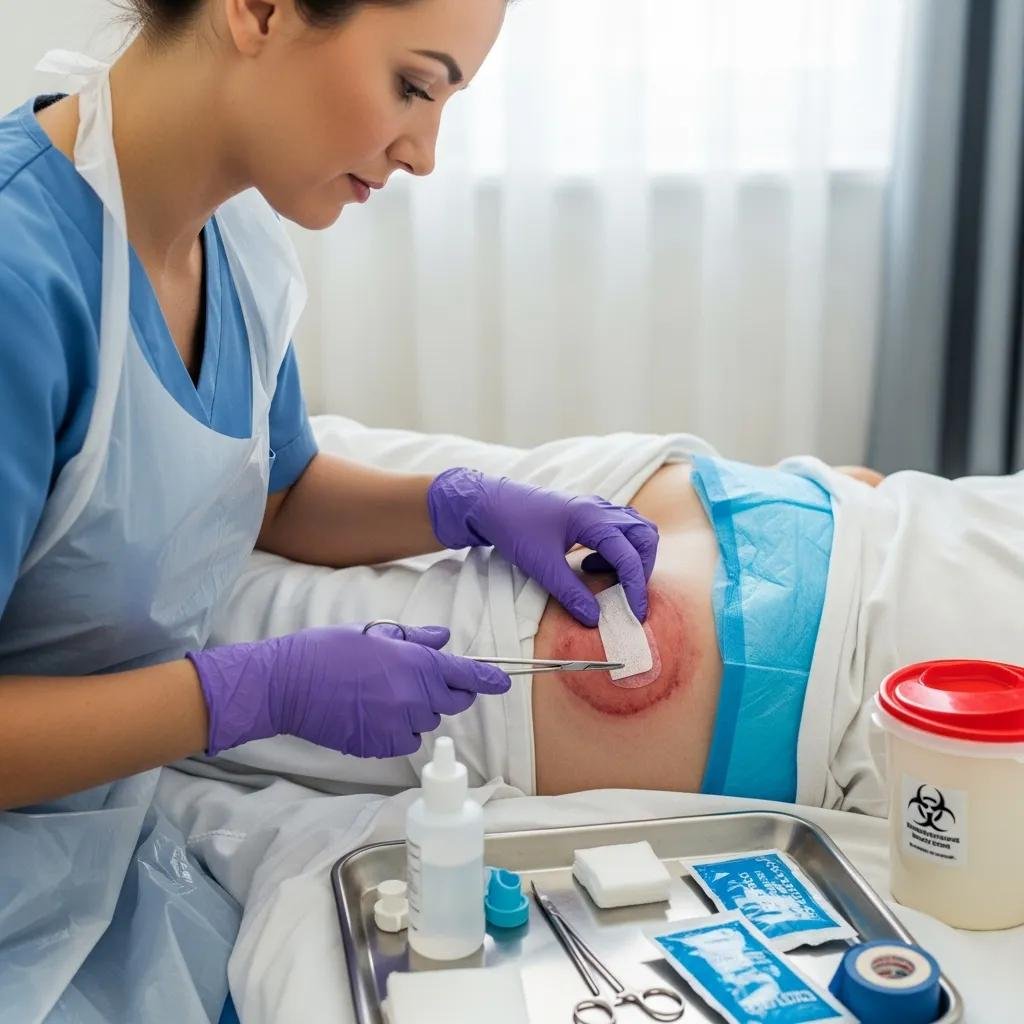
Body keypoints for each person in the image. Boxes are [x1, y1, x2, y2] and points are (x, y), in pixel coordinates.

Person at [0, 2, 661, 1020]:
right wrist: (251, 692)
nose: (424, 153)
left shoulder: (238, 242)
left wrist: (466, 506)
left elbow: (276, 492)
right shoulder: (19, 279)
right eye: (414, 86)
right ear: (260, 10)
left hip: (107, 847)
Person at [204, 413, 1024, 822]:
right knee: (237, 475)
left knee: (191, 641)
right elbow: (287, 494)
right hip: (653, 488)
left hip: (545, 692)